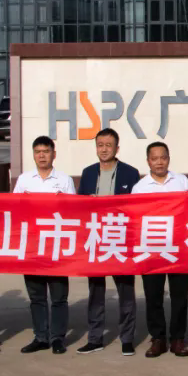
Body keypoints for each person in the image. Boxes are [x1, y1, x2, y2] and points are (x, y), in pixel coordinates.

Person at [76, 128, 140, 356]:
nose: (104, 149)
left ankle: (127, 339)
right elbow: (78, 207)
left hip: (120, 238)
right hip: (95, 239)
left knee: (126, 292)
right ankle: (95, 338)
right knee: (96, 292)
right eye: (100, 145)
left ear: (117, 148)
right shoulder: (88, 173)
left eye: (108, 145)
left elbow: (137, 207)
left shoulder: (130, 173)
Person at [12, 135, 76, 354]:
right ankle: (40, 337)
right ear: (33, 155)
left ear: (53, 154)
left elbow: (73, 211)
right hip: (32, 246)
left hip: (57, 246)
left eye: (46, 151)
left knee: (59, 298)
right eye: (38, 152)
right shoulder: (24, 180)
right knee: (37, 297)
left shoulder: (65, 180)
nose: (42, 156)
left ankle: (57, 338)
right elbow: (14, 209)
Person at [132, 141, 188, 358]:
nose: (159, 162)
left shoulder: (181, 182)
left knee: (180, 296)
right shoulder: (140, 188)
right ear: (148, 161)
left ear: (169, 159)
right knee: (153, 297)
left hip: (179, 248)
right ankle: (158, 338)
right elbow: (135, 219)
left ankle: (178, 338)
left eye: (163, 157)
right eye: (154, 158)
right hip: (151, 249)